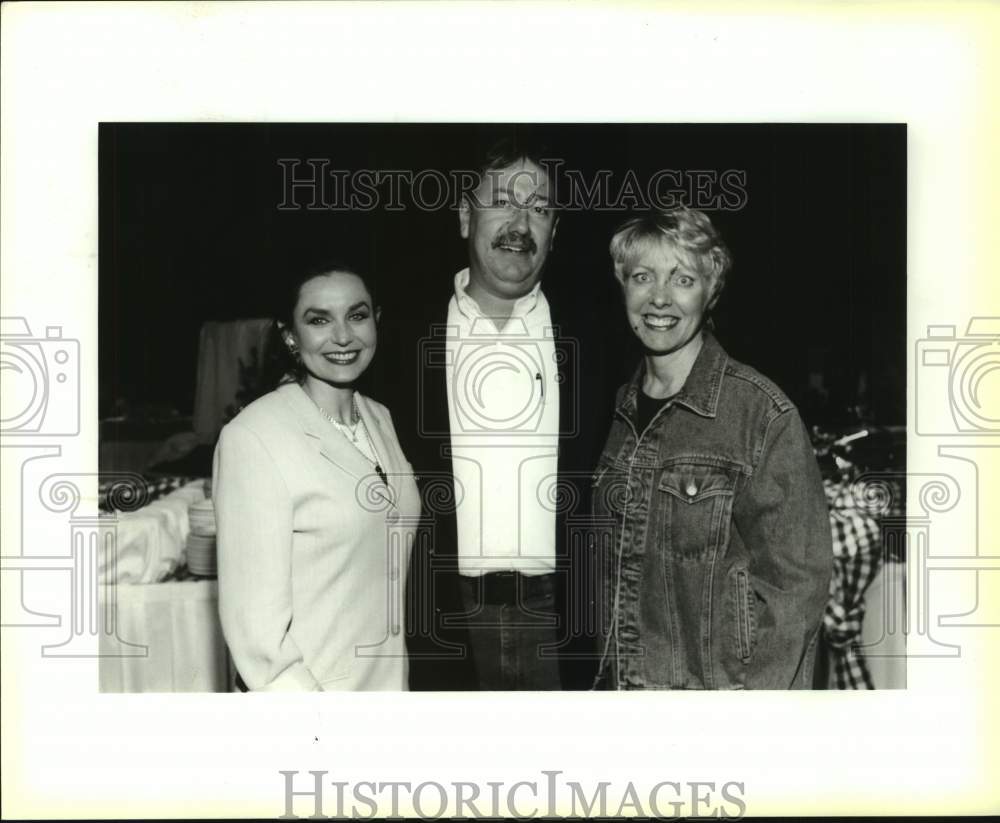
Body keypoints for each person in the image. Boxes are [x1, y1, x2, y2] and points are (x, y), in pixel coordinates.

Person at [387, 134, 614, 690]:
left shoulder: (599, 341)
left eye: (539, 209)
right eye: (503, 202)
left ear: (555, 232)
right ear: (465, 217)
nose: (520, 224)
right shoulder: (401, 341)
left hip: (565, 621)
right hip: (447, 618)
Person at [592, 207, 833, 689]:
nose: (659, 297)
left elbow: (797, 593)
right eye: (642, 276)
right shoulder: (610, 411)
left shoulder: (761, 415)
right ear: (623, 285)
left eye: (683, 279)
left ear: (711, 290)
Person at [213, 261, 421, 691]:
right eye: (319, 320)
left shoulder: (380, 418)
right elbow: (258, 637)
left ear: (376, 321)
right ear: (290, 335)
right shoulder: (254, 436)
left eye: (357, 315)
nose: (343, 336)